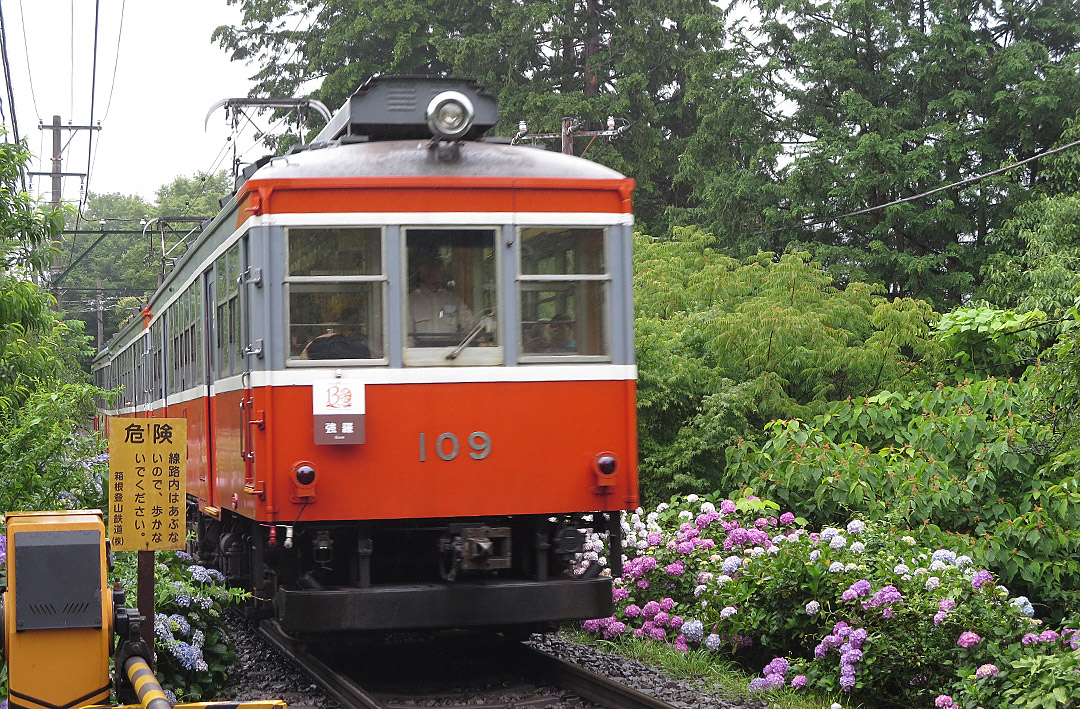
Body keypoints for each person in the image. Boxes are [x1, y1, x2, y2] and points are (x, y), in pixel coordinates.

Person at [408, 252, 474, 342]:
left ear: (441, 271)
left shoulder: (453, 300)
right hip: (421, 354)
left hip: (451, 353)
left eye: (435, 267)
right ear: (421, 272)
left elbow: (470, 328)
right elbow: (406, 338)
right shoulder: (410, 301)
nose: (430, 271)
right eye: (426, 267)